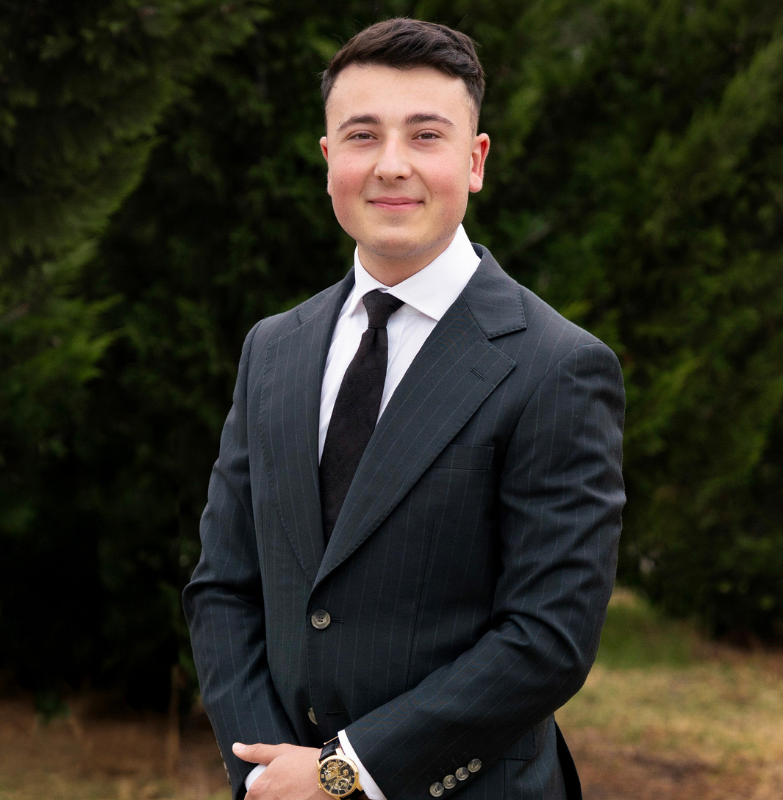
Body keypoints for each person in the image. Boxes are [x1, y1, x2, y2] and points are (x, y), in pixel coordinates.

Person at [183, 17, 625, 800]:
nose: (391, 166)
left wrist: (341, 775)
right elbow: (224, 586)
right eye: (362, 136)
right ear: (328, 161)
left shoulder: (557, 366)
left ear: (475, 160)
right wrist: (266, 772)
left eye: (426, 135)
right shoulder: (272, 350)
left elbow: (546, 638)